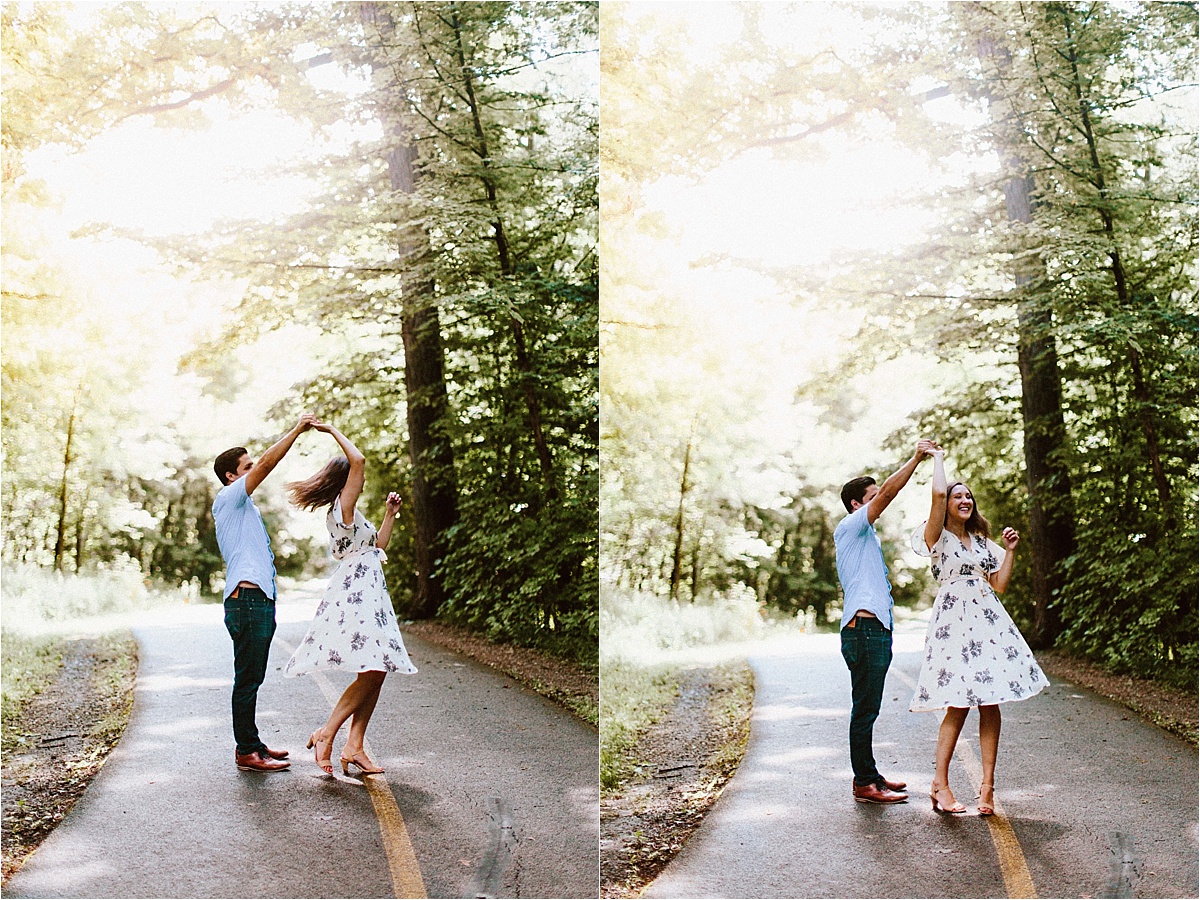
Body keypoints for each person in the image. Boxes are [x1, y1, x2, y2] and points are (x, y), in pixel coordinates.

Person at [909, 448, 1048, 815]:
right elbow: (937, 494)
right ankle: (940, 784)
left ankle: (987, 789)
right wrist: (937, 458)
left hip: (987, 622)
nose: (964, 499)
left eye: (968, 495)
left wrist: (1011, 551)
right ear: (947, 505)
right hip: (954, 624)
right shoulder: (934, 536)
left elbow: (999, 584)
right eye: (958, 495)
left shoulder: (983, 543)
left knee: (990, 702)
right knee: (957, 703)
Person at [283, 422, 417, 776]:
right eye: (355, 479)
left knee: (376, 669)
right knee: (373, 669)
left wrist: (390, 515)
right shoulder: (343, 505)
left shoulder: (351, 514)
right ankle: (328, 733)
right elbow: (358, 459)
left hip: (368, 588)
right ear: (344, 480)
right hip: (359, 592)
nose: (360, 482)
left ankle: (354, 746)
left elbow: (378, 547)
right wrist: (329, 430)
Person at [212, 412, 319, 772]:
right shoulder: (229, 497)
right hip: (246, 601)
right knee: (247, 677)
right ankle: (246, 752)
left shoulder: (246, 509)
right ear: (232, 475)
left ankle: (253, 743)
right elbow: (271, 463)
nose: (255, 468)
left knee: (253, 676)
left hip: (258, 601)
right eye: (248, 466)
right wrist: (297, 430)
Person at [835, 440, 936, 804]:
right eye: (872, 496)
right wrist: (916, 459)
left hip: (874, 630)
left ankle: (870, 775)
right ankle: (864, 784)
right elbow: (891, 492)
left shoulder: (866, 537)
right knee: (865, 708)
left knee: (869, 706)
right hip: (863, 631)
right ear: (856, 504)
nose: (880, 500)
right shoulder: (850, 526)